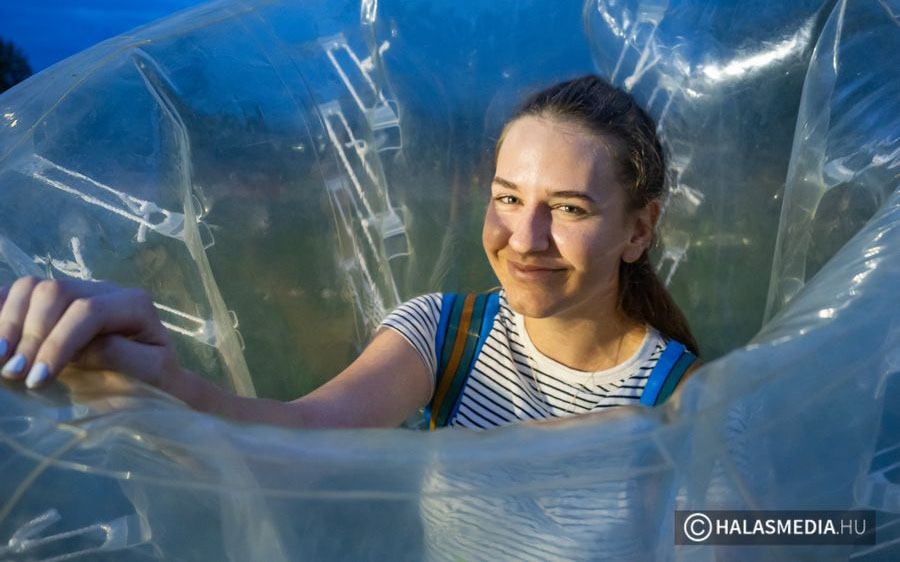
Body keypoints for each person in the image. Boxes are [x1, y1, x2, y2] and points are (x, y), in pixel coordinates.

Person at [0, 75, 699, 429]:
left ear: (638, 230)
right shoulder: (448, 336)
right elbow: (300, 435)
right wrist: (157, 381)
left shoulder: (686, 400)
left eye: (569, 208)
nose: (525, 238)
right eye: (508, 198)